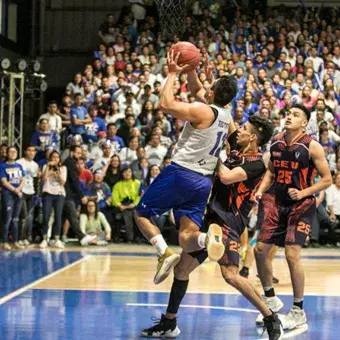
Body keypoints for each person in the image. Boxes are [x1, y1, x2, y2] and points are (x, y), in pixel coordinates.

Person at [141, 117, 284, 340]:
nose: (240, 130)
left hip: (228, 222)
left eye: (245, 128)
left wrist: (212, 155)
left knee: (230, 275)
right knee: (181, 270)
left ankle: (270, 317)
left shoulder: (257, 164)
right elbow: (224, 119)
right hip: (211, 220)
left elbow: (226, 177)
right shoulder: (237, 147)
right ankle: (169, 322)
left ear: (254, 137)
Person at [135, 51, 237, 285]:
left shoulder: (203, 110)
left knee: (141, 214)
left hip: (181, 173)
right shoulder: (225, 114)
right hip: (203, 182)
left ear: (212, 93)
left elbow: (165, 104)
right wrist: (191, 68)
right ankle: (206, 239)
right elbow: (197, 91)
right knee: (186, 236)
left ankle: (163, 253)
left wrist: (172, 74)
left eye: (211, 84)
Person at [254, 104, 332, 330]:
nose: (289, 117)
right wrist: (260, 190)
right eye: (288, 113)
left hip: (301, 205)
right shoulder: (277, 142)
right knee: (259, 250)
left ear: (305, 123)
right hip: (277, 203)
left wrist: (304, 192)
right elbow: (270, 171)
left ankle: (298, 310)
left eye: (296, 115)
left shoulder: (312, 147)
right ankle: (270, 299)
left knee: (291, 255)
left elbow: (326, 179)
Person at [63, 145, 97, 246]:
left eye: (80, 153)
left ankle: (81, 237)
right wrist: (81, 196)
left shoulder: (69, 162)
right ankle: (81, 237)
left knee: (70, 215)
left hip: (66, 194)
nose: (79, 155)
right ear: (71, 152)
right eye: (77, 153)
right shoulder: (70, 163)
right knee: (72, 215)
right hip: (66, 194)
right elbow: (74, 181)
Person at [40, 151, 67, 249]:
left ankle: (56, 239)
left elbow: (62, 182)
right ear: (50, 159)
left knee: (58, 216)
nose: (55, 159)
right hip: (48, 193)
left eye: (57, 157)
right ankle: (44, 239)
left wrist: (57, 172)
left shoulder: (63, 168)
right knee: (46, 216)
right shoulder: (45, 167)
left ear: (59, 159)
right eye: (53, 157)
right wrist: (49, 167)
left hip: (59, 194)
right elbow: (44, 178)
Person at [0, 146, 25, 250]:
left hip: (18, 194)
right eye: (11, 152)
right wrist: (15, 190)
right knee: (7, 219)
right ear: (7, 154)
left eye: (15, 152)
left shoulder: (19, 166)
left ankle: (15, 241)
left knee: (15, 219)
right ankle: (4, 241)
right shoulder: (2, 166)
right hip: (8, 194)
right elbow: (4, 182)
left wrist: (19, 189)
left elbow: (23, 180)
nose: (13, 153)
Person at [17, 145, 40, 245]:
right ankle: (20, 237)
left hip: (31, 192)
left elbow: (34, 179)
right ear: (25, 152)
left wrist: (36, 193)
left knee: (30, 216)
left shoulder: (35, 165)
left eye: (33, 151)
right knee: (23, 216)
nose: (31, 153)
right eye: (29, 150)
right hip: (22, 192)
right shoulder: (19, 162)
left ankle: (28, 236)